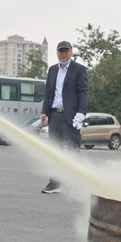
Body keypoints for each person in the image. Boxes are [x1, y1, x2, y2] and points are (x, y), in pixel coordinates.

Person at [40, 40, 88, 194]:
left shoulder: (79, 69)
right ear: (57, 53)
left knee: (73, 150)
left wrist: (81, 113)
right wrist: (44, 111)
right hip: (55, 115)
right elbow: (48, 92)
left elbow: (83, 92)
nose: (64, 53)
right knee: (56, 150)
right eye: (61, 51)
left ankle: (82, 183)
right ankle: (54, 184)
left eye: (66, 50)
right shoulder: (52, 70)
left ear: (71, 52)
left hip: (71, 117)